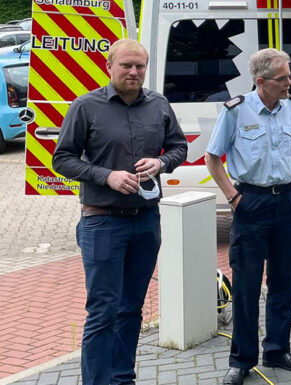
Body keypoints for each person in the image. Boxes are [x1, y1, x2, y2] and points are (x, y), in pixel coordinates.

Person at [52, 39, 187, 385]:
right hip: (102, 222)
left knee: (131, 309)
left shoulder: (159, 104)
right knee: (103, 312)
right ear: (109, 66)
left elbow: (179, 147)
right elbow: (62, 159)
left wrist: (161, 162)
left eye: (140, 66)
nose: (134, 72)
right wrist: (106, 176)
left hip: (146, 222)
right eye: (126, 65)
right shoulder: (86, 107)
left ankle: (123, 378)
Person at [205, 48, 291, 384]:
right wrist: (234, 198)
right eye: (282, 78)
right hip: (250, 203)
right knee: (246, 286)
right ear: (261, 81)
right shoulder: (237, 111)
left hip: (287, 204)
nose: (289, 82)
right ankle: (241, 361)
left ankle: (277, 350)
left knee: (284, 283)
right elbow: (212, 158)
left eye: (289, 76)